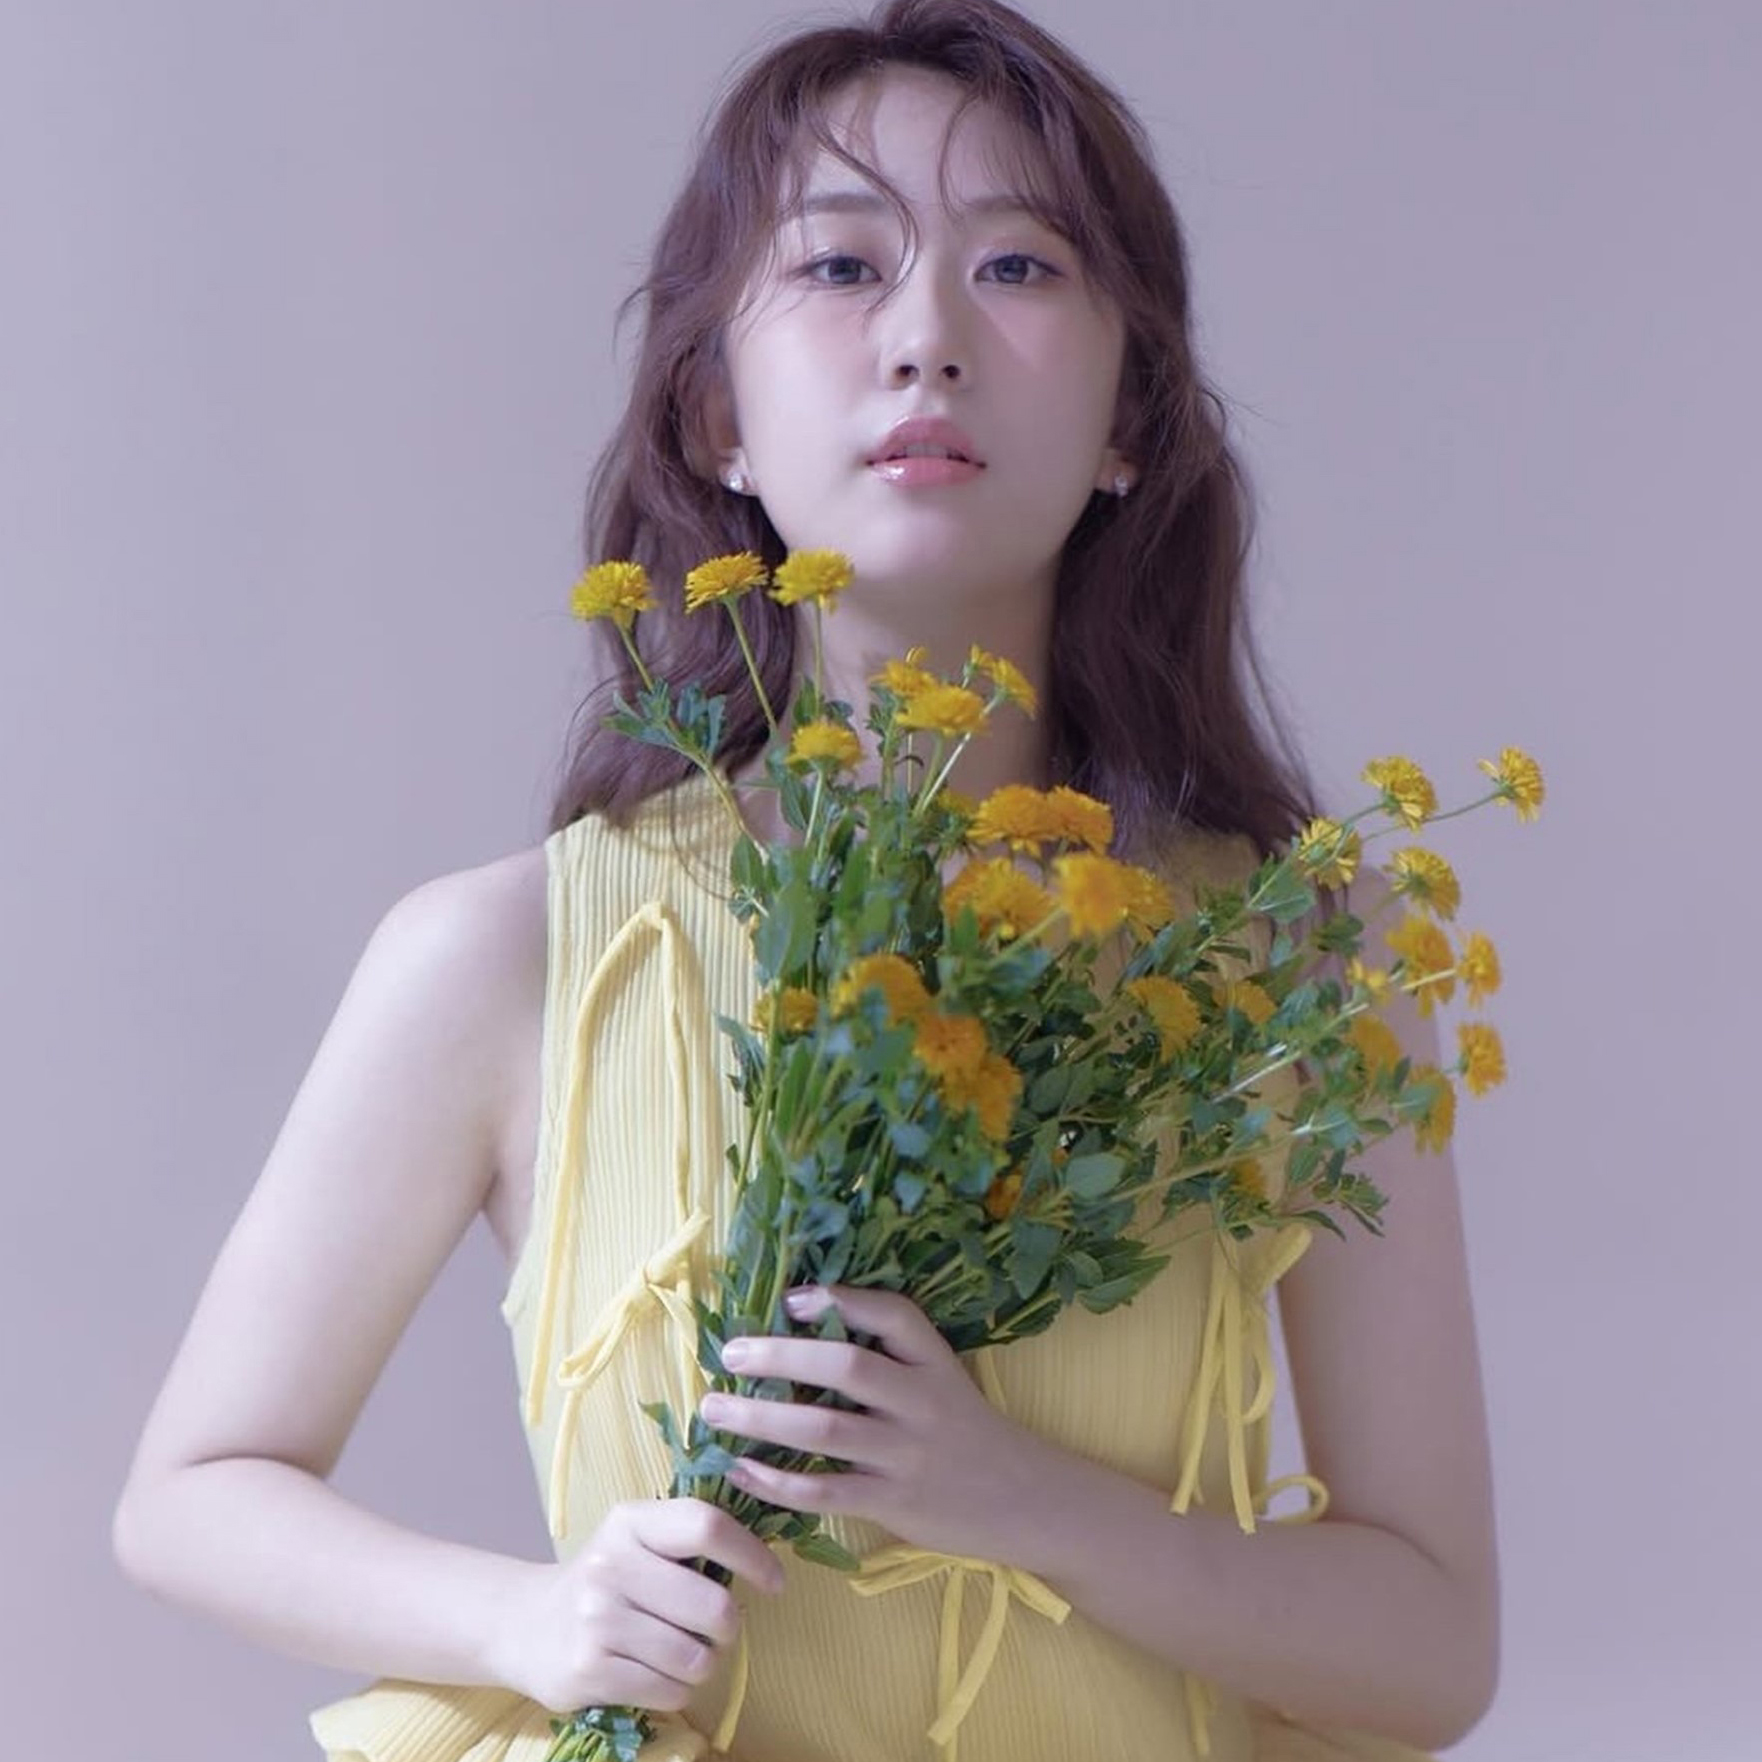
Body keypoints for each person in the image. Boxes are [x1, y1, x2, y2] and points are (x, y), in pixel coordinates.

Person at [111, 3, 1500, 1758]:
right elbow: (190, 1492)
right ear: (716, 416)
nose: (925, 340)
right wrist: (528, 1619)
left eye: (1016, 265)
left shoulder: (1302, 962)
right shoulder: (511, 950)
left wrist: (1016, 1498)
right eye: (842, 266)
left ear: (1130, 418)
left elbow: (1431, 1650)